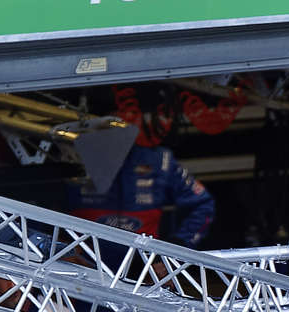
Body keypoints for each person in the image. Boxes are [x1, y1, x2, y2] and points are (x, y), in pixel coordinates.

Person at [73, 88, 217, 246]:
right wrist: (64, 247)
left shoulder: (160, 160)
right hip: (82, 257)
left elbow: (203, 204)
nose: (120, 124)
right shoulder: (71, 156)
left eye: (129, 115)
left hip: (142, 259)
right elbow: (50, 207)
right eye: (114, 118)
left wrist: (179, 245)